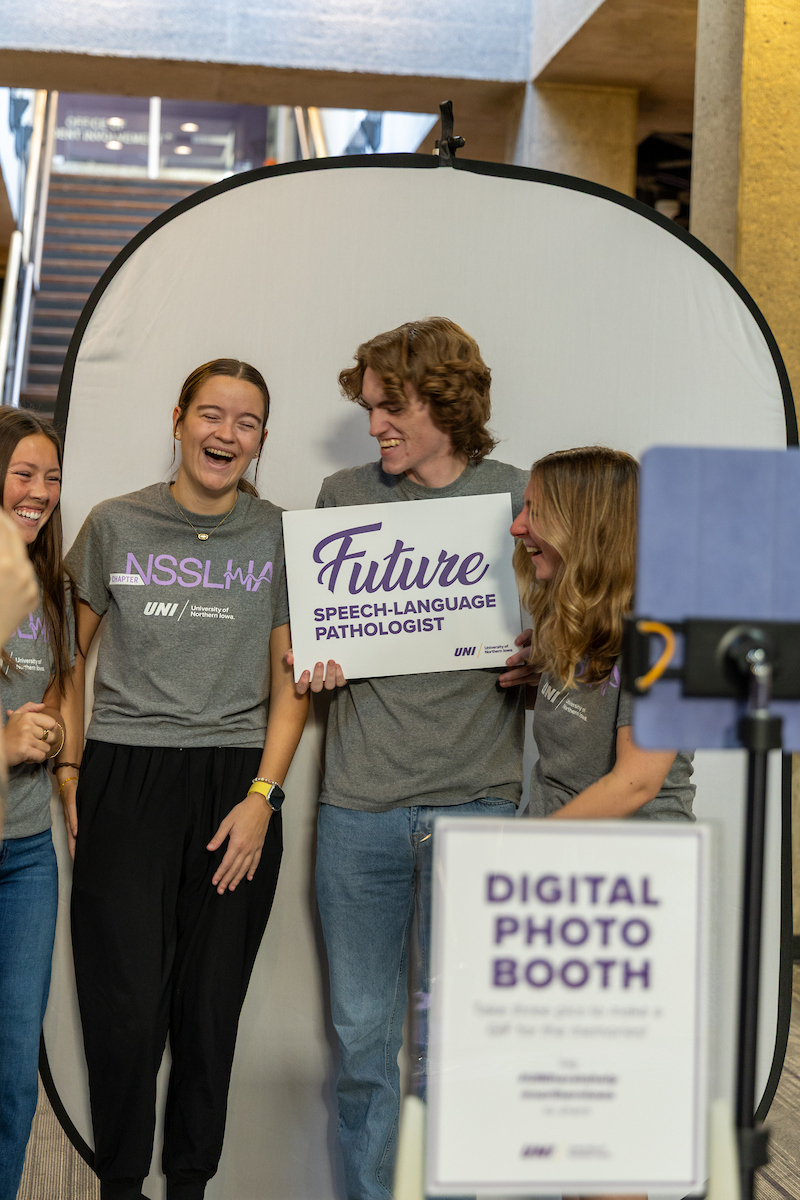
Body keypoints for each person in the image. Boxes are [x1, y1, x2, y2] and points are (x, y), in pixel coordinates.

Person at [293, 318, 532, 1200]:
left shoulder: (517, 498)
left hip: (481, 806)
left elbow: (576, 636)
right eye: (367, 409)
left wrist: (543, 657)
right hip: (360, 812)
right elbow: (320, 642)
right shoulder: (341, 496)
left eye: (389, 408)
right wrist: (313, 661)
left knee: (462, 1046)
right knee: (362, 1045)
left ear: (446, 401)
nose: (374, 427)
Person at [63, 359, 309, 1200]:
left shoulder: (282, 536)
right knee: (125, 1007)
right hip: (125, 773)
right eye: (211, 414)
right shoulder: (113, 525)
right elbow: (64, 655)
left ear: (262, 441)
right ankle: (122, 1185)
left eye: (246, 423)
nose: (225, 435)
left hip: (236, 783)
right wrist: (67, 762)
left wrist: (262, 800)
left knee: (209, 1011)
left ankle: (191, 1185)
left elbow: (290, 685)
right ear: (178, 419)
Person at [510, 445, 694, 822]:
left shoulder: (661, 634)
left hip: (629, 861)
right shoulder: (570, 610)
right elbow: (583, 723)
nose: (517, 526)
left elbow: (636, 782)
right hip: (559, 845)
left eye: (537, 511)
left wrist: (526, 846)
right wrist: (534, 682)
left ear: (586, 524)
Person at [0, 409, 76, 1200]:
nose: (42, 491)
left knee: (17, 1060)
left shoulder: (44, 584)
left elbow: (54, 692)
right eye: (24, 473)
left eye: (51, 476)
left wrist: (59, 757)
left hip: (25, 854)